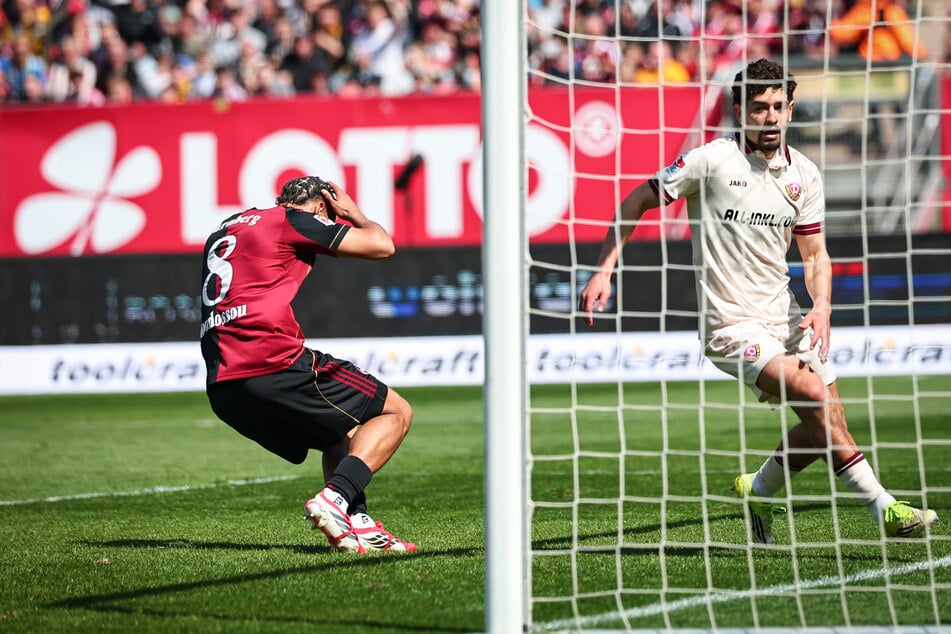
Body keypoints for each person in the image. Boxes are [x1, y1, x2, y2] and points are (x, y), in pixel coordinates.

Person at [578, 58, 938, 544]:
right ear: (740, 111)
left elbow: (815, 254)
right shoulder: (710, 160)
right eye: (758, 107)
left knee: (826, 421)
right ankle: (884, 509)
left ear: (790, 110)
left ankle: (758, 487)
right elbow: (636, 201)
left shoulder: (804, 175)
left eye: (777, 107)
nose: (769, 117)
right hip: (730, 326)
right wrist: (605, 268)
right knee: (813, 398)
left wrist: (822, 305)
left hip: (784, 318)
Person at [200, 175, 416, 554]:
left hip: (223, 383)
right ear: (321, 207)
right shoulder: (294, 219)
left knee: (336, 433)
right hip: (271, 360)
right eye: (328, 214)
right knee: (396, 412)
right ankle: (335, 499)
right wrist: (353, 214)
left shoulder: (227, 226)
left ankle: (358, 525)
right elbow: (382, 246)